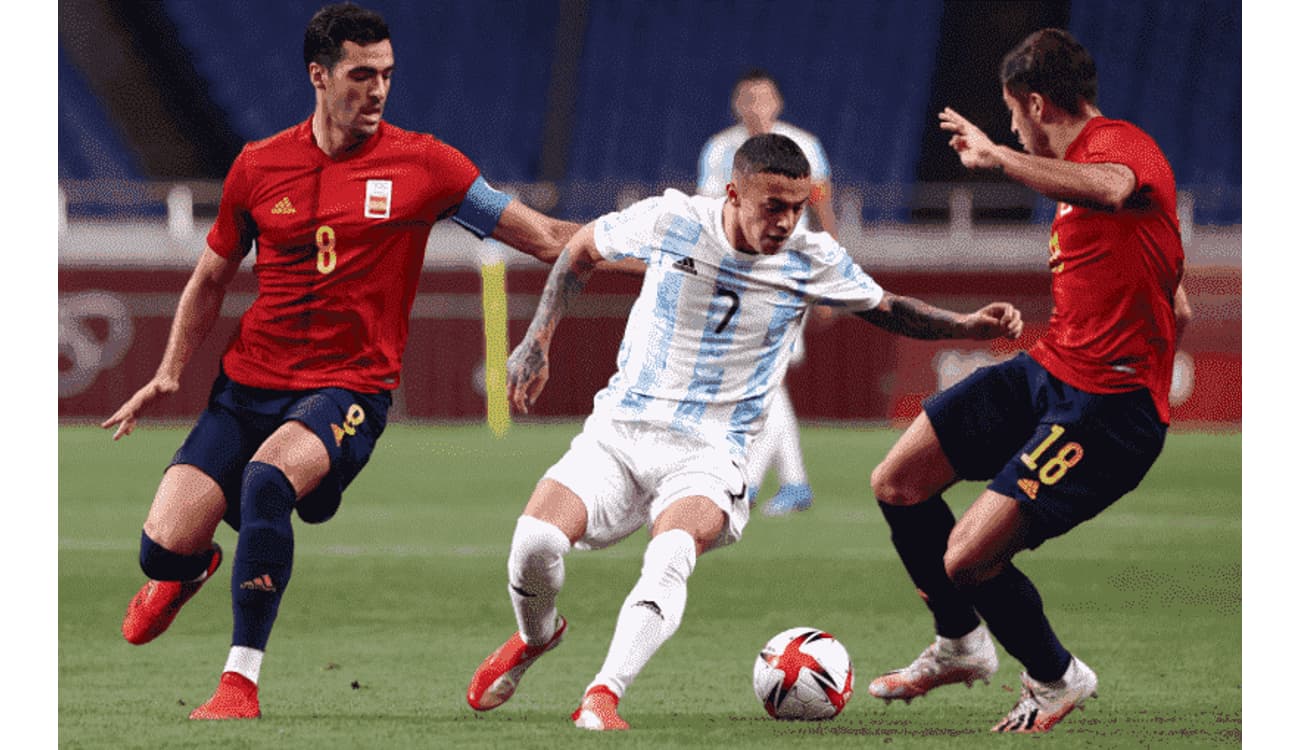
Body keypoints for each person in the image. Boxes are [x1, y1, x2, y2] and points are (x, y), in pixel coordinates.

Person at [101, 2, 578, 720]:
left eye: (387, 75)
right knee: (159, 553)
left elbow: (544, 237)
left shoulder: (428, 165)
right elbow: (210, 279)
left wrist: (658, 245)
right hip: (246, 387)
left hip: (347, 387)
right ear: (319, 76)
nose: (379, 90)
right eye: (362, 75)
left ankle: (239, 684)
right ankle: (192, 568)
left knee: (266, 481)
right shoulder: (258, 166)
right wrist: (171, 370)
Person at [464, 133, 1024, 731]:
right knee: (534, 544)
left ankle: (604, 693)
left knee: (672, 552)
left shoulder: (811, 257)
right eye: (772, 206)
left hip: (712, 450)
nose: (786, 221)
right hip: (619, 431)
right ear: (733, 193)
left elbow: (887, 308)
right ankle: (538, 635)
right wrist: (536, 340)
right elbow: (579, 250)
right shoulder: (673, 218)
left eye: (797, 207)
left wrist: (965, 323)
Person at [864, 28, 1193, 734]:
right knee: (898, 480)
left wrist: (999, 158)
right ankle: (959, 644)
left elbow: (1111, 187)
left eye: (1014, 116)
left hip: (1107, 408)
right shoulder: (1075, 180)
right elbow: (1179, 302)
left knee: (966, 557)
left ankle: (1056, 678)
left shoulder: (1120, 147)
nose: (1012, 128)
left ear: (1036, 104)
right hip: (1049, 370)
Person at [697, 68, 836, 516]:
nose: (757, 107)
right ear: (737, 105)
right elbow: (708, 212)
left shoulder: (803, 146)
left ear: (778, 103)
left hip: (786, 270)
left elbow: (823, 210)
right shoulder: (720, 150)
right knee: (765, 378)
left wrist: (830, 276)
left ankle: (750, 483)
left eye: (764, 98)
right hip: (737, 273)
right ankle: (792, 484)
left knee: (765, 376)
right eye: (748, 99)